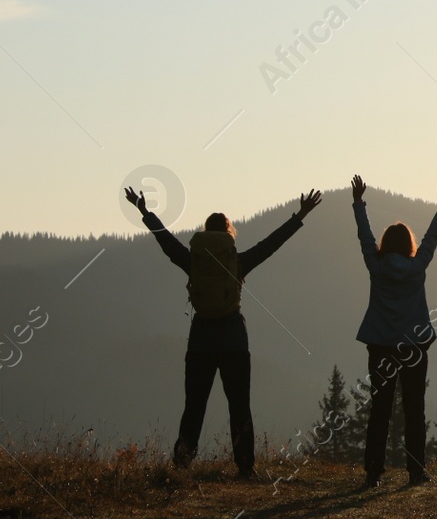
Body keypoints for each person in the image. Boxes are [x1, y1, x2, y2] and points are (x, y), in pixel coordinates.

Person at [125, 185, 322, 478]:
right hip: (234, 341)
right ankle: (245, 467)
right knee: (239, 406)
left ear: (205, 234)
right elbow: (270, 245)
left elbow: (166, 242)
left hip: (201, 340)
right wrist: (300, 215)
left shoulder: (195, 261)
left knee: (194, 406)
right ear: (229, 233)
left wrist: (144, 212)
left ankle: (182, 463)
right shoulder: (237, 262)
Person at [352, 174, 437, 488]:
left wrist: (358, 202)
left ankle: (373, 472)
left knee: (379, 409)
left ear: (385, 245)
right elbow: (432, 237)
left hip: (380, 344)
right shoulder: (418, 265)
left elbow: (365, 237)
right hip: (414, 347)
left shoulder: (375, 265)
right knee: (414, 409)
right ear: (408, 245)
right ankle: (416, 471)